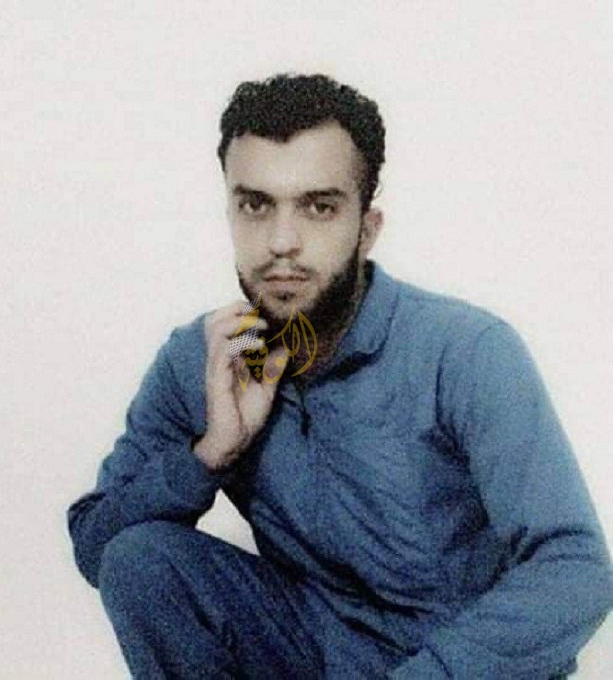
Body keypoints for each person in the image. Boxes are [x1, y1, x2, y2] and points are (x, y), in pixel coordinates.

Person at [66, 74, 612, 679]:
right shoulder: (215, 355)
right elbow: (98, 548)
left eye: (319, 207)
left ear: (366, 229)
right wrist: (210, 455)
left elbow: (575, 569)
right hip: (312, 648)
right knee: (142, 556)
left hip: (455, 665)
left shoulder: (463, 351)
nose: (282, 243)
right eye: (256, 205)